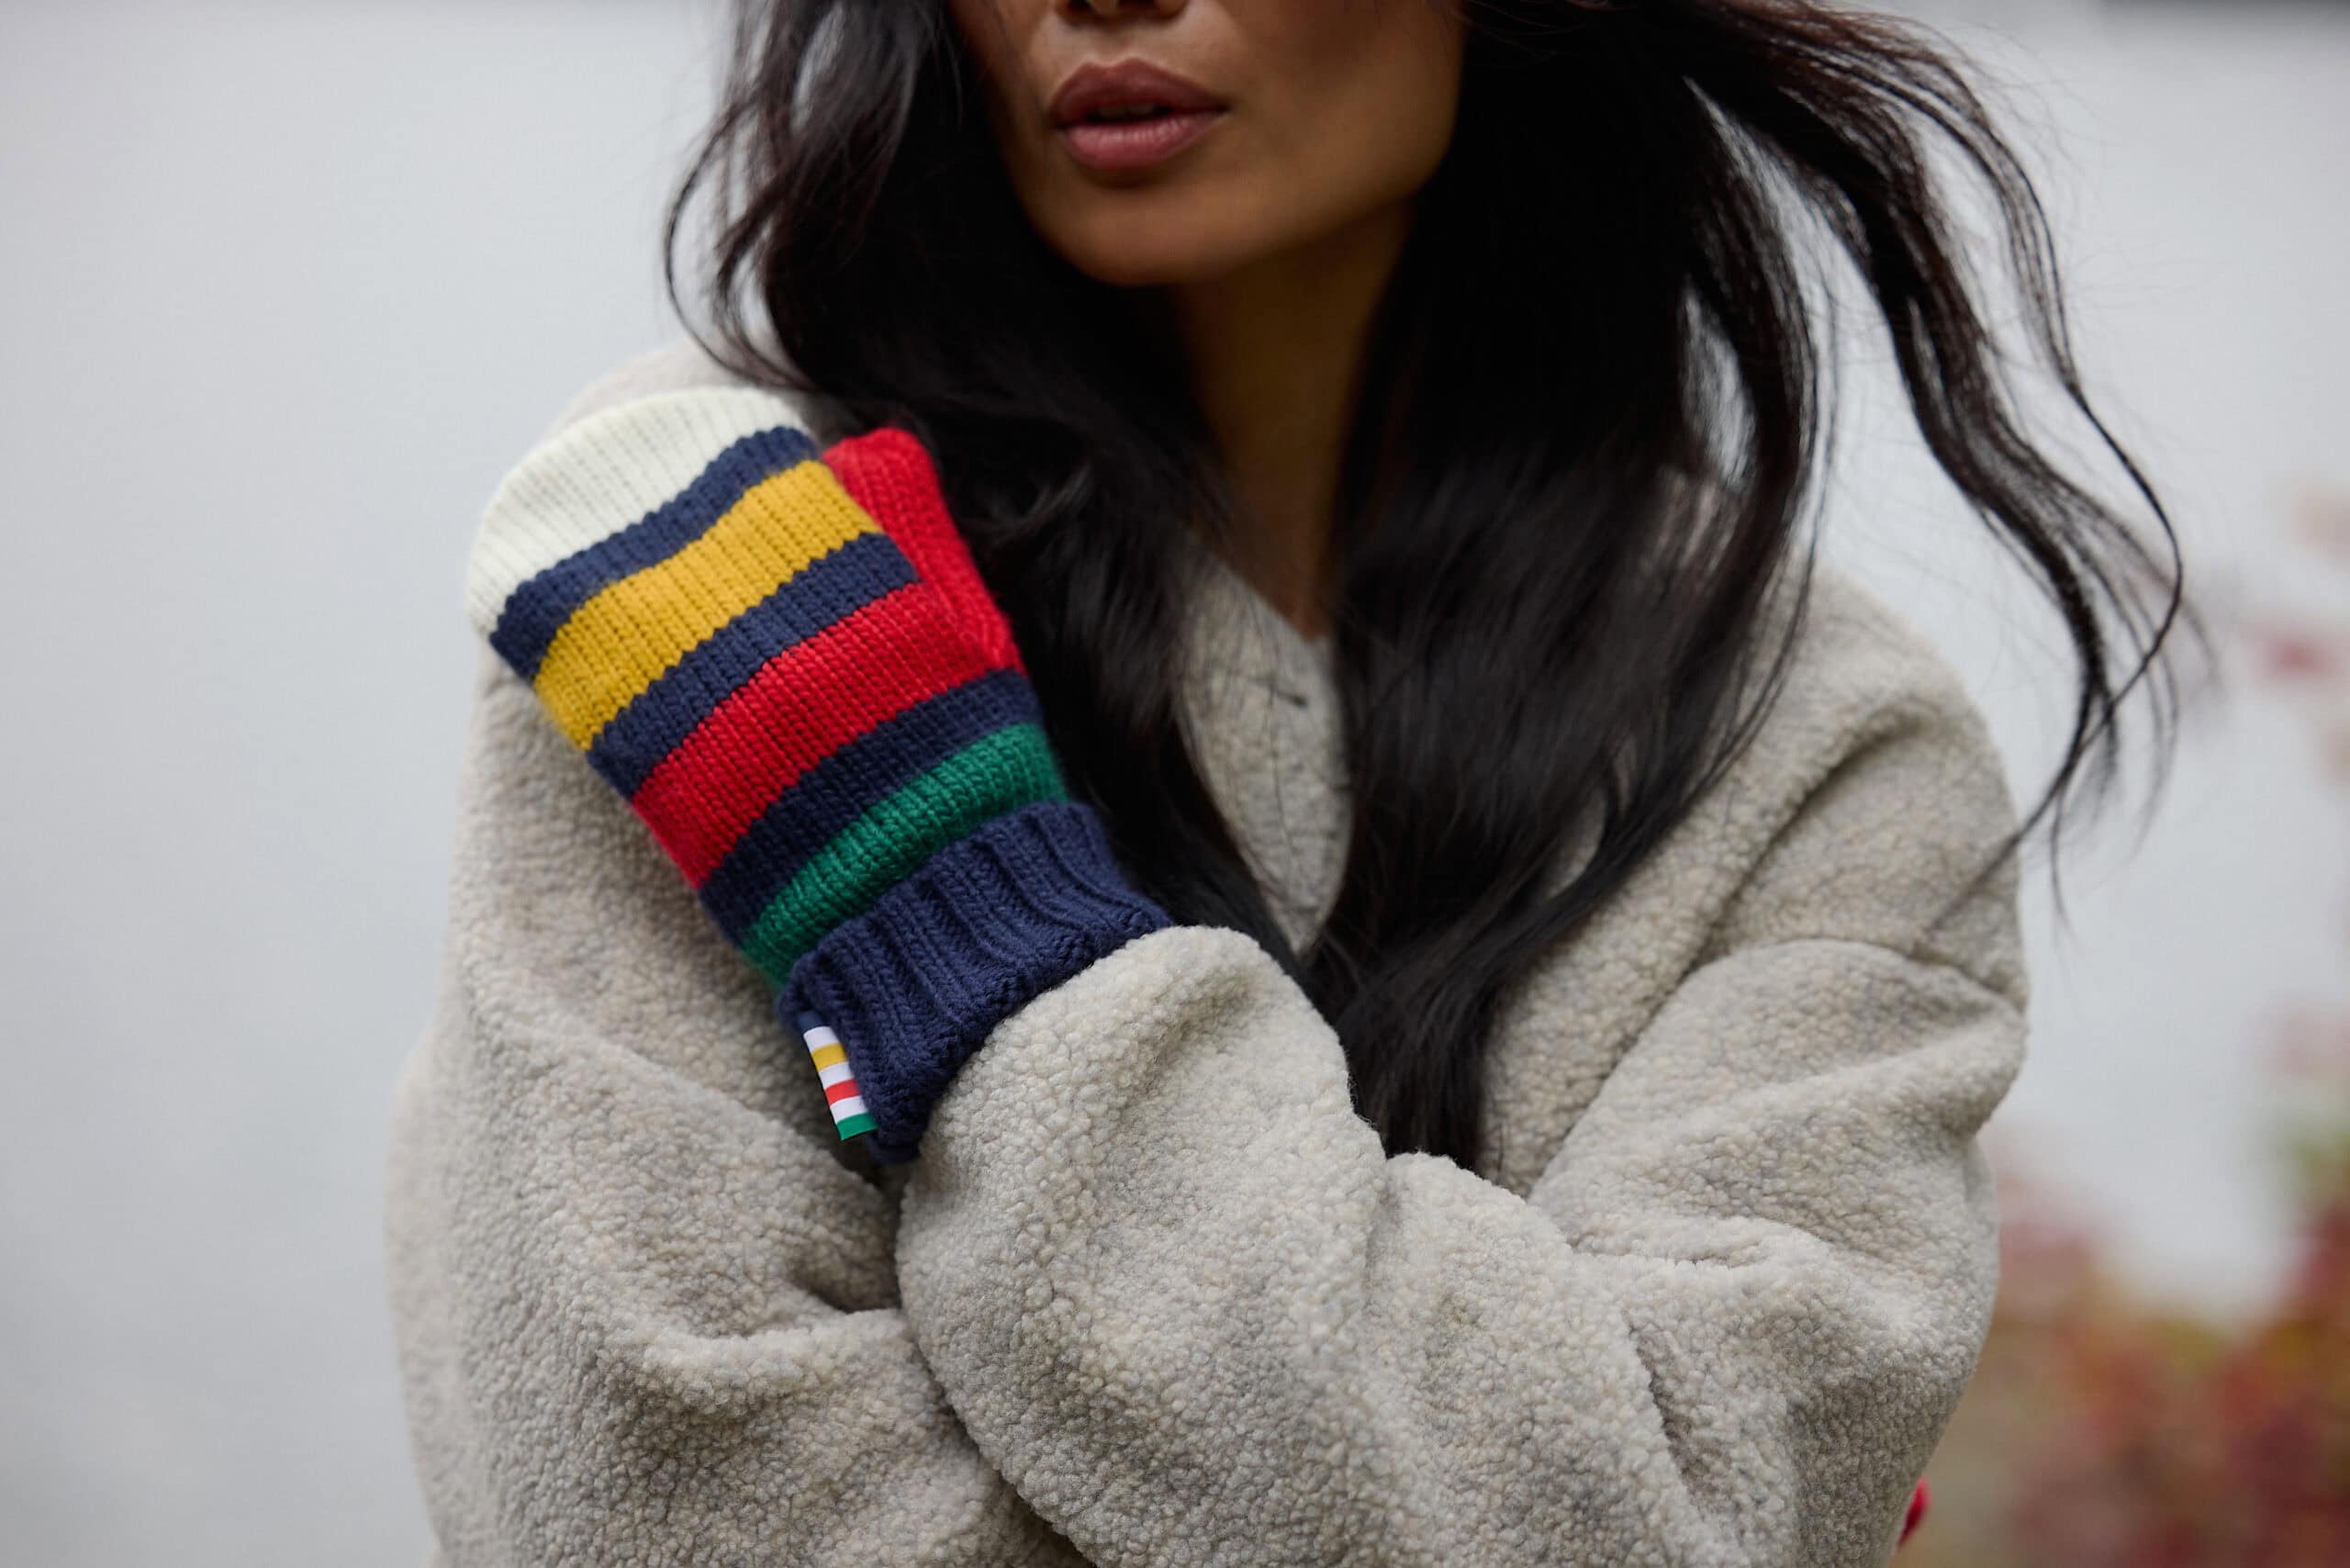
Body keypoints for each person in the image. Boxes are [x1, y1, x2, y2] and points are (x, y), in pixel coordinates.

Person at [383, 1, 2200, 1563]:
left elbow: (1680, 1516)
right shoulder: (722, 570)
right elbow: (649, 1499)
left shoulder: (1816, 742)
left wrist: (968, 938)